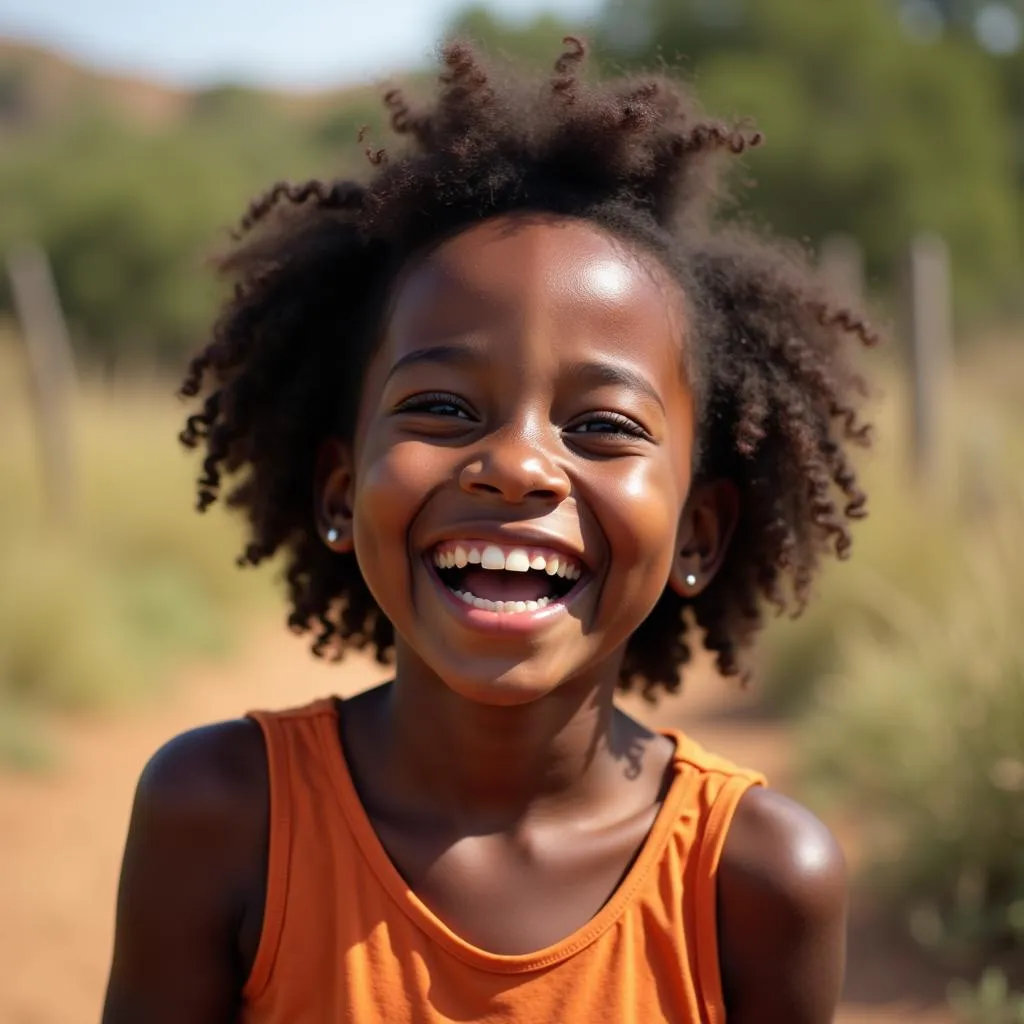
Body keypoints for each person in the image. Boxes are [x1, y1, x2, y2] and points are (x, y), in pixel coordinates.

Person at [102, 38, 877, 1024]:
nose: (515, 465)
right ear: (341, 492)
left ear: (697, 533)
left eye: (600, 425)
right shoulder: (223, 816)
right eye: (441, 408)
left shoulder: (753, 880)